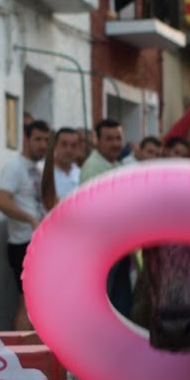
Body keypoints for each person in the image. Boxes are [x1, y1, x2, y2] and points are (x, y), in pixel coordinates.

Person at [0, 119, 51, 330]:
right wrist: (30, 219)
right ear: (26, 139)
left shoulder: (42, 168)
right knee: (27, 301)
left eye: (46, 139)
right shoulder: (14, 167)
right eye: (38, 139)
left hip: (41, 242)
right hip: (23, 242)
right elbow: (1, 201)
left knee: (39, 302)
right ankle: (23, 353)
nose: (43, 145)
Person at [79, 118, 135, 320]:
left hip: (120, 247)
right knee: (105, 306)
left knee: (120, 305)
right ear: (98, 141)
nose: (115, 143)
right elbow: (94, 212)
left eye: (118, 138)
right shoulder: (93, 167)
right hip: (102, 250)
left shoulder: (117, 165)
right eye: (109, 139)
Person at [39, 126, 82, 213]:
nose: (68, 150)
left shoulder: (80, 174)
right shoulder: (41, 170)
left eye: (73, 146)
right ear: (55, 145)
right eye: (64, 144)